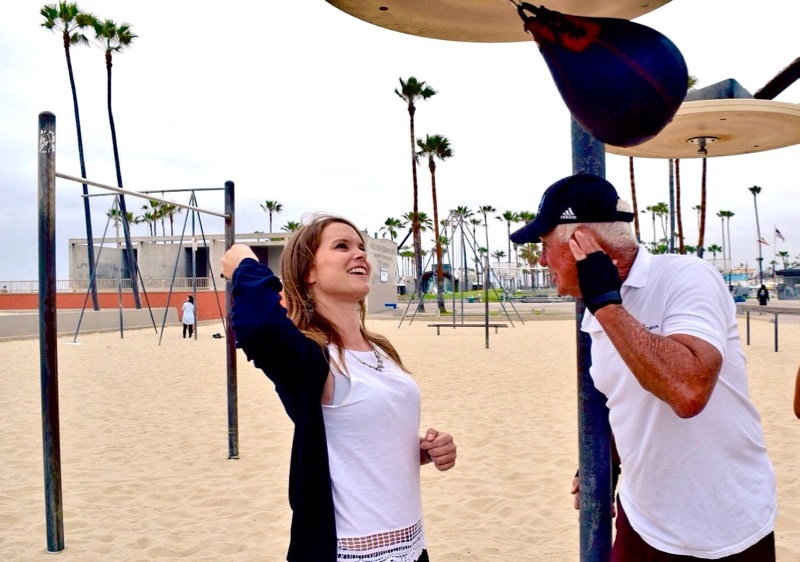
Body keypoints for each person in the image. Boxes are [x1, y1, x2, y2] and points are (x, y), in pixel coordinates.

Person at [510, 173, 776, 560]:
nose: (541, 259)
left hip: (725, 524)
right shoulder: (596, 309)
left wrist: (607, 305)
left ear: (587, 245)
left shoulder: (684, 276)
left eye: (546, 246)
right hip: (642, 518)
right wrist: (604, 462)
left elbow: (688, 390)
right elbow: (624, 400)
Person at [221, 214, 457, 562]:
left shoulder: (379, 348)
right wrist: (245, 262)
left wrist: (421, 450)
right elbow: (257, 325)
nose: (360, 254)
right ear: (308, 272)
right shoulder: (311, 356)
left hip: (411, 545)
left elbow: (361, 434)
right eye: (342, 246)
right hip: (350, 551)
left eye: (362, 247)